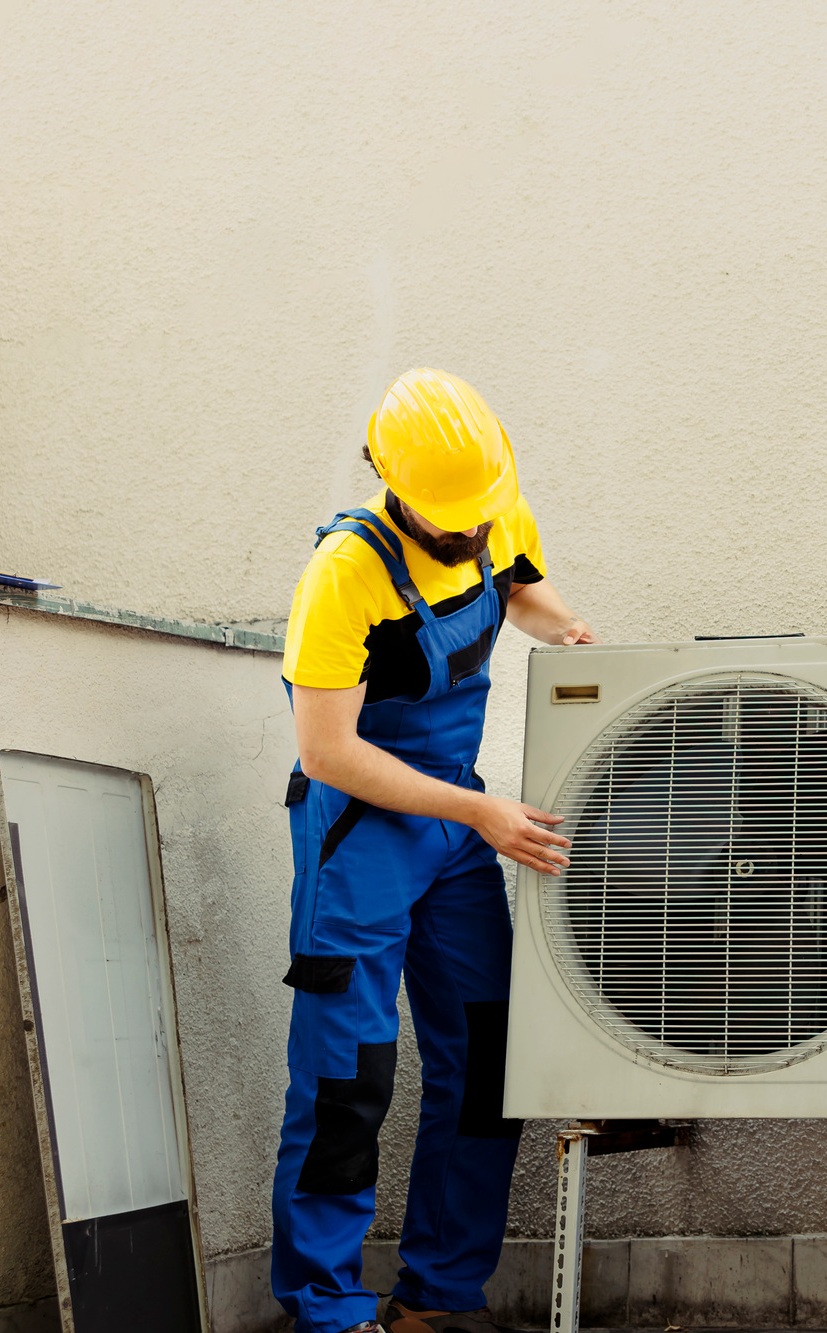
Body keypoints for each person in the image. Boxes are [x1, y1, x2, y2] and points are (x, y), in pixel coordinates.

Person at [274, 369, 597, 1333]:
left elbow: (523, 589)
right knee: (348, 1076)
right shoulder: (345, 571)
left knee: (491, 1056)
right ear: (389, 477)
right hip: (361, 833)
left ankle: (438, 1295)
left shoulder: (492, 507)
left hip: (454, 834)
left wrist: (569, 632)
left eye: (480, 517)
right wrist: (482, 811)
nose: (469, 533)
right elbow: (327, 748)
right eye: (450, 519)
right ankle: (328, 1311)